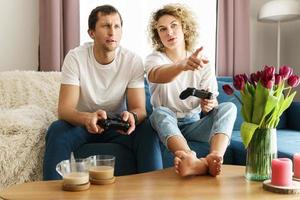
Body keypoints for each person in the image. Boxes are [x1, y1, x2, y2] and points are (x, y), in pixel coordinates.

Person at [43, 5, 163, 180]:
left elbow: (139, 109)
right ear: (91, 33)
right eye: (106, 26)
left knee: (147, 130)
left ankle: (152, 192)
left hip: (117, 124)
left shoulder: (132, 61)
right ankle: (49, 195)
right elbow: (65, 110)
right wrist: (87, 118)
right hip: (83, 123)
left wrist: (132, 117)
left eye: (116, 27)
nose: (112, 32)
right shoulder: (75, 58)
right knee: (57, 129)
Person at [145, 4, 237, 177]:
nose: (169, 32)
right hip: (167, 124)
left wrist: (209, 104)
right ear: (158, 36)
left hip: (194, 123)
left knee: (229, 108)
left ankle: (214, 157)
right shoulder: (154, 59)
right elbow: (156, 75)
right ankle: (190, 158)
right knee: (160, 113)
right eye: (162, 29)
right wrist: (182, 65)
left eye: (174, 26)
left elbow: (212, 102)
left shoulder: (202, 62)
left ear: (184, 28)